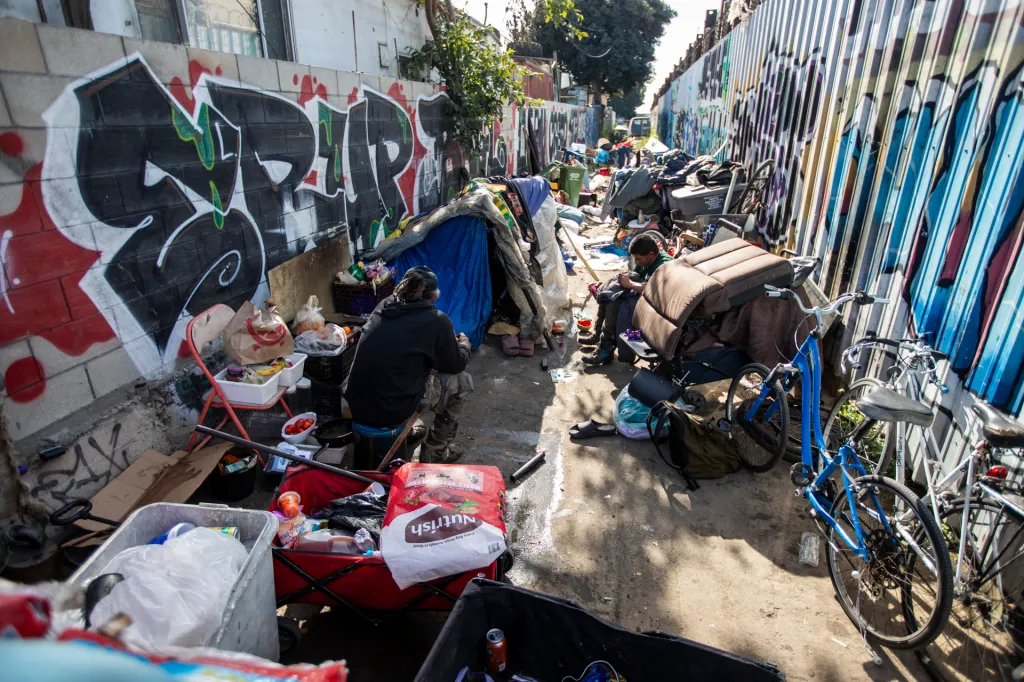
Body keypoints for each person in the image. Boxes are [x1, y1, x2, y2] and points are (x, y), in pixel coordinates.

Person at [344, 266, 473, 463]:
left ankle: (407, 428)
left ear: (402, 289)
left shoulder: (384, 306)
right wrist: (464, 347)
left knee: (399, 372)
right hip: (390, 410)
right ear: (434, 297)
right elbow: (454, 365)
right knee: (462, 381)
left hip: (357, 402)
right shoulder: (437, 321)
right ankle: (435, 452)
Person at [580, 233, 673, 365]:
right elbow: (636, 276)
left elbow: (654, 291)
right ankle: (600, 336)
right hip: (643, 297)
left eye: (639, 259)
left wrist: (630, 284)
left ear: (651, 254)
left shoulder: (664, 265)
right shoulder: (647, 260)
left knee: (618, 303)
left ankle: (607, 348)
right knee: (609, 295)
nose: (637, 262)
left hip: (656, 305)